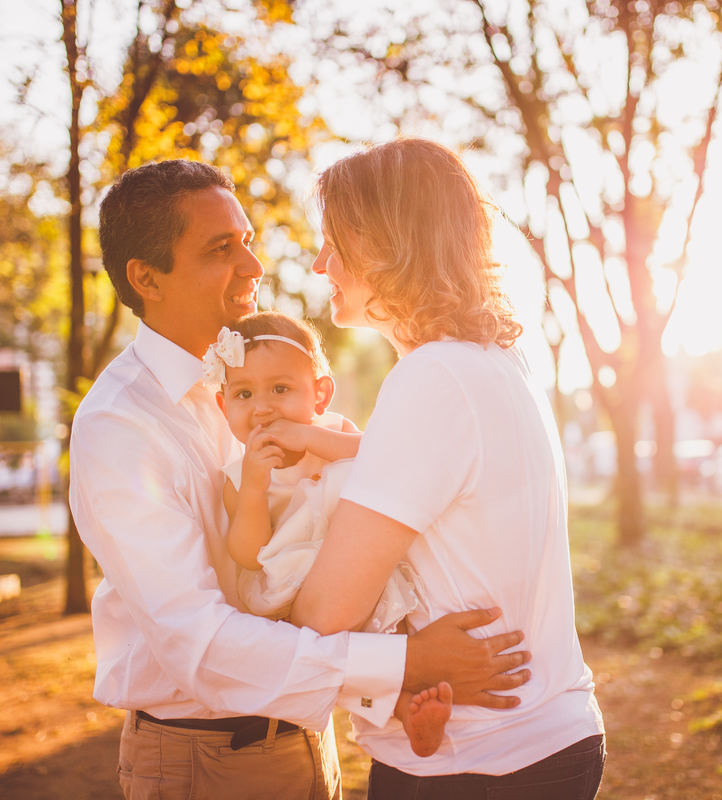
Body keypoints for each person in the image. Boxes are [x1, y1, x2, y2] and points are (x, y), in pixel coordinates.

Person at [70, 159, 532, 800]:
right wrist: (405, 664)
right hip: (205, 761)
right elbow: (195, 641)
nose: (254, 268)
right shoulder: (119, 427)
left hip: (309, 738)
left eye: (248, 242)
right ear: (146, 278)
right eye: (220, 249)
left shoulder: (265, 375)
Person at [290, 139, 606, 798]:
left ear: (387, 242)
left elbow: (323, 609)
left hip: (476, 762)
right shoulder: (495, 361)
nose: (321, 265)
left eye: (334, 243)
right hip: (543, 741)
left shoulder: (432, 376)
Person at [206, 310, 451, 757]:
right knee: (329, 654)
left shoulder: (335, 434)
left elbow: (379, 458)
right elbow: (246, 552)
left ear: (320, 394)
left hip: (354, 559)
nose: (263, 407)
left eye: (280, 389)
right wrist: (256, 489)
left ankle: (412, 691)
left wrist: (308, 439)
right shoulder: (238, 477)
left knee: (383, 636)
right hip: (291, 584)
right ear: (225, 407)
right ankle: (399, 707)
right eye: (244, 393)